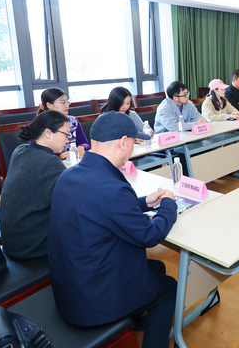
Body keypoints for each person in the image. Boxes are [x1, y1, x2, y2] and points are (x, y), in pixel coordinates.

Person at [48, 111, 177, 348]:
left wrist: (143, 202)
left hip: (71, 287)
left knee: (156, 267)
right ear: (123, 142)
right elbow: (150, 235)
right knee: (169, 287)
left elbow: (101, 207)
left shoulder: (68, 175)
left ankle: (133, 318)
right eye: (134, 142)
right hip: (94, 302)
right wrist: (169, 204)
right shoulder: (112, 188)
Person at [0, 111, 69, 259]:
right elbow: (71, 200)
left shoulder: (20, 151)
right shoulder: (50, 162)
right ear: (48, 133)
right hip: (32, 246)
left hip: (11, 241)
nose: (67, 140)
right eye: (66, 134)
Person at [38, 87, 90, 159]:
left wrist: (82, 147)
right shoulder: (39, 124)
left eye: (67, 102)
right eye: (63, 102)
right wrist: (60, 155)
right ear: (49, 105)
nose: (67, 105)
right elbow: (37, 151)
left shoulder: (73, 121)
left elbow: (85, 143)